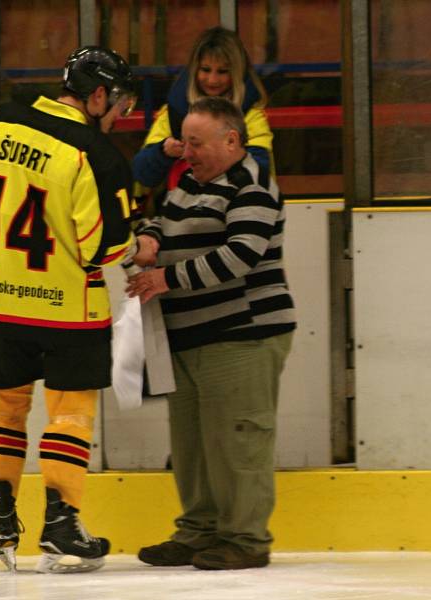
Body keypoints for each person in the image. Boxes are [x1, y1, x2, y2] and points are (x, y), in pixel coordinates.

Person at [0, 46, 141, 574]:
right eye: (120, 102)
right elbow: (102, 249)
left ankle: (2, 519)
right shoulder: (95, 156)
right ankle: (61, 523)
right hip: (68, 312)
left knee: (3, 411)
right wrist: (139, 249)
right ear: (97, 95)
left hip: (1, 306)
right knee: (70, 414)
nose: (122, 114)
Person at [127, 96, 296, 571]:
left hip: (242, 334)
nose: (186, 151)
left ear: (231, 140)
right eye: (184, 142)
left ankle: (245, 539)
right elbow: (165, 222)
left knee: (239, 441)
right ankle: (199, 530)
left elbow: (241, 254)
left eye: (196, 143)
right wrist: (150, 239)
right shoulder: (188, 186)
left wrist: (165, 278)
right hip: (190, 338)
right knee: (194, 445)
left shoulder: (252, 186)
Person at [132, 26, 274, 200]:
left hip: (231, 212)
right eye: (205, 70)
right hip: (179, 215)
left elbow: (259, 174)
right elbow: (142, 175)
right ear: (194, 70)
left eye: (222, 72)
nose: (212, 80)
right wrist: (163, 152)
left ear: (237, 74)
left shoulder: (250, 116)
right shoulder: (173, 113)